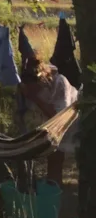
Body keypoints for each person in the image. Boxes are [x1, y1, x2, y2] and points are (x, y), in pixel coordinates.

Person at [20, 55, 78, 188]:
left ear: (41, 79)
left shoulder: (59, 83)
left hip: (68, 120)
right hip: (49, 124)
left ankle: (55, 188)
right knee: (51, 156)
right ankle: (52, 187)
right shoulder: (27, 87)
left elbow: (59, 117)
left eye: (34, 87)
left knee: (56, 157)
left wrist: (35, 98)